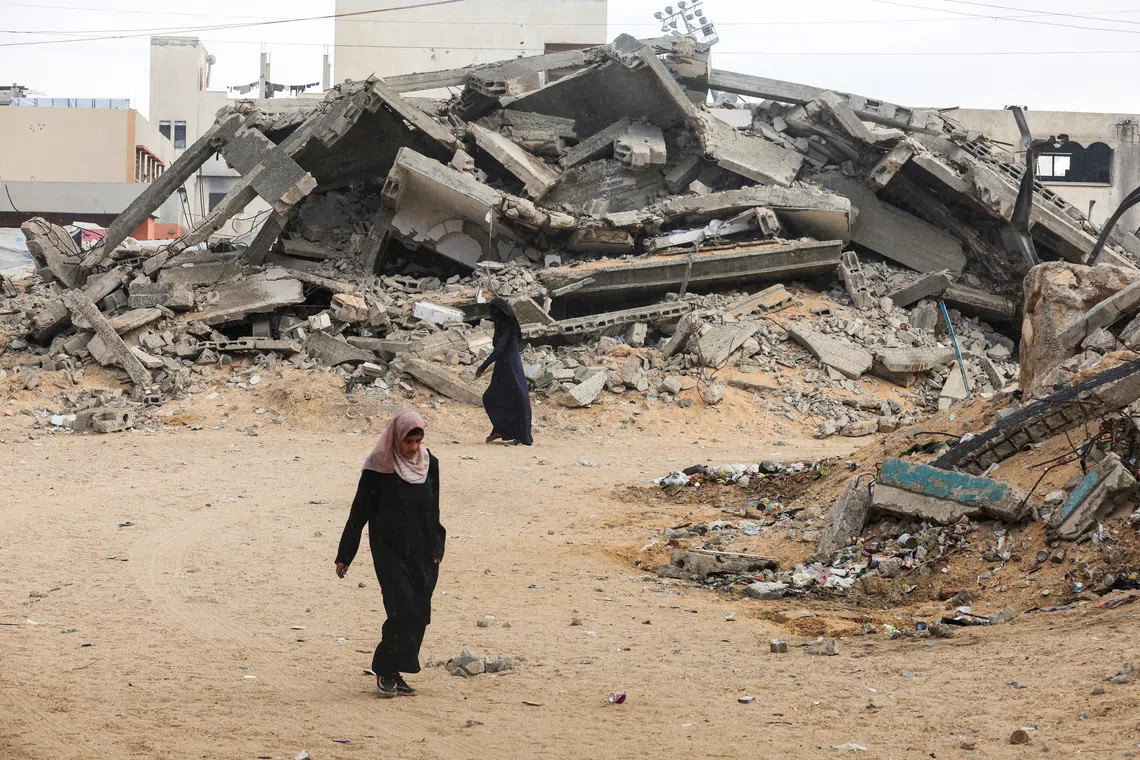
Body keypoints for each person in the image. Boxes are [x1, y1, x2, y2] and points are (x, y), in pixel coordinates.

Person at [335, 408, 446, 698]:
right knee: (402, 609)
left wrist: (437, 546)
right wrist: (345, 555)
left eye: (418, 441)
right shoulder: (379, 468)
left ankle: (397, 669)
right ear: (396, 439)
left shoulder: (429, 464)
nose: (414, 448)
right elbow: (359, 512)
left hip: (423, 550)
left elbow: (433, 509)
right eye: (408, 442)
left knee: (419, 613)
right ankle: (384, 669)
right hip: (389, 549)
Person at [475, 298, 533, 446]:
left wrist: (482, 367)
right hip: (503, 367)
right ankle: (501, 429)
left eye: (492, 312)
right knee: (493, 398)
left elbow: (499, 350)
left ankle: (521, 435)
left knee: (516, 400)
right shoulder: (501, 324)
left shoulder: (508, 326)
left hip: (510, 367)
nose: (491, 315)